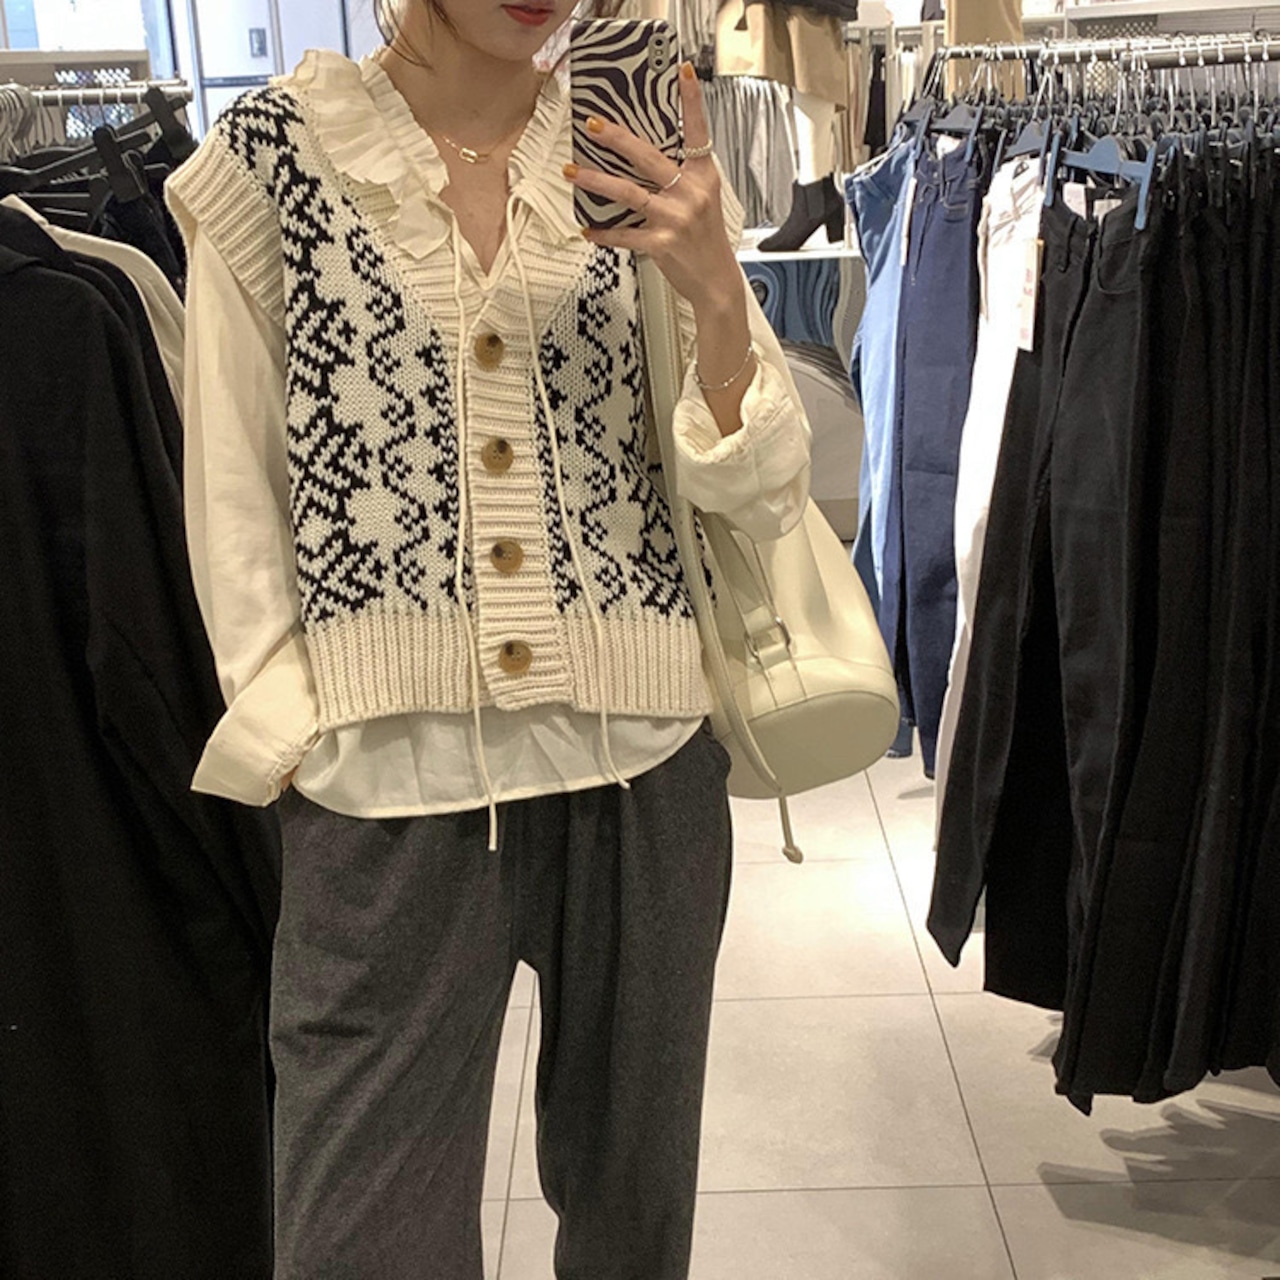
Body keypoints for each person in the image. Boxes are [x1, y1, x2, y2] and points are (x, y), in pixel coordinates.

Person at [166, 1, 811, 1275]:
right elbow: (231, 487)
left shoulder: (636, 155)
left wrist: (714, 293)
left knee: (632, 1228)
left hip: (641, 780)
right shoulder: (273, 156)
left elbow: (760, 489)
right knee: (360, 1238)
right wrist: (297, 729)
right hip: (385, 798)